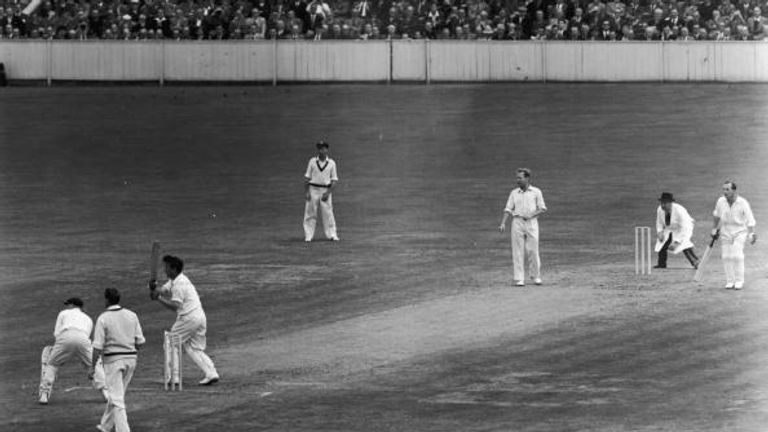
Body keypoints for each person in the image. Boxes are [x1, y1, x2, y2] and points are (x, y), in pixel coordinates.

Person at [150, 255, 220, 385]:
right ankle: (211, 373)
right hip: (199, 317)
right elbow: (163, 290)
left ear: (174, 269)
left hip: (188, 318)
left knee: (171, 343)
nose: (165, 270)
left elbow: (175, 306)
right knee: (193, 347)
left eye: (167, 268)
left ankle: (174, 377)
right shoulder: (176, 280)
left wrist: (158, 298)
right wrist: (154, 288)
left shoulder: (179, 284)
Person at [89, 288, 145, 432]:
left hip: (113, 361)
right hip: (131, 360)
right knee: (116, 395)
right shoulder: (132, 315)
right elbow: (140, 342)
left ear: (107, 300)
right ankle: (105, 426)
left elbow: (97, 346)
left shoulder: (103, 318)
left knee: (117, 399)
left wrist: (92, 367)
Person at [38, 297, 107, 405]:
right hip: (83, 339)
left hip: (65, 336)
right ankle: (106, 392)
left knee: (51, 363)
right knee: (95, 363)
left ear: (72, 305)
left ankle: (44, 394)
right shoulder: (88, 318)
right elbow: (86, 336)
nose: (66, 306)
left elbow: (57, 334)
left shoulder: (63, 313)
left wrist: (59, 355)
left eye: (68, 304)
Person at [498, 168, 547, 286]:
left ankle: (536, 276)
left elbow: (542, 208)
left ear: (527, 178)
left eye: (520, 178)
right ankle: (519, 278)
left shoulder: (536, 192)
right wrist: (503, 223)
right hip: (517, 222)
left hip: (531, 223)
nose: (517, 180)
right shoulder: (514, 193)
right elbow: (508, 209)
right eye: (517, 178)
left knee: (533, 250)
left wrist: (531, 215)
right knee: (517, 251)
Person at [711, 180, 757, 290]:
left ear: (734, 191)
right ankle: (730, 281)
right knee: (726, 257)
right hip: (725, 231)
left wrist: (752, 233)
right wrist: (714, 228)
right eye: (723, 189)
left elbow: (750, 219)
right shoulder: (720, 201)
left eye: (727, 189)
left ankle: (739, 281)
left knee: (737, 255)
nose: (725, 192)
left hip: (740, 231)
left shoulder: (743, 202)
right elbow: (716, 215)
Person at [303, 140, 339, 242]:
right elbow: (307, 178)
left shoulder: (331, 163)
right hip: (313, 189)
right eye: (320, 148)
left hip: (325, 190)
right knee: (310, 213)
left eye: (323, 148)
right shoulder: (312, 161)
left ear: (327, 150)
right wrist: (307, 192)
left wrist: (328, 193)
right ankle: (308, 235)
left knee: (328, 213)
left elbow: (334, 180)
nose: (321, 150)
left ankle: (332, 234)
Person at [654, 192, 699, 269]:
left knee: (684, 244)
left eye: (665, 203)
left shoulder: (679, 210)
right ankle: (661, 264)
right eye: (661, 203)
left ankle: (696, 262)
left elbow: (686, 227)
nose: (662, 205)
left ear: (670, 203)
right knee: (662, 243)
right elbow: (659, 222)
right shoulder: (660, 209)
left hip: (684, 228)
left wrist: (676, 242)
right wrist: (660, 232)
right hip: (670, 229)